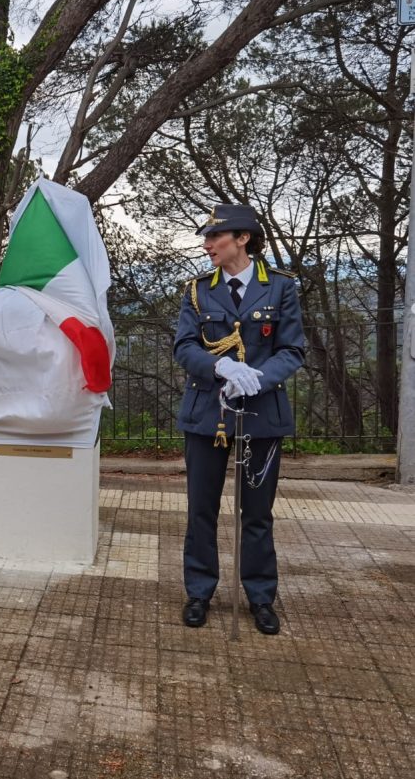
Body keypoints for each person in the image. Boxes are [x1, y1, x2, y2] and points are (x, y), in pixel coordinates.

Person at [175, 203, 305, 635]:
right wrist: (221, 368)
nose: (207, 245)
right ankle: (199, 591)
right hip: (208, 414)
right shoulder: (197, 290)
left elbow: (292, 350)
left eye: (216, 237)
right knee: (201, 510)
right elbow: (184, 347)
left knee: (256, 513)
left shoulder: (280, 288)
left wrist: (257, 378)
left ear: (243, 239)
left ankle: (261, 597)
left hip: (261, 414)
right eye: (207, 238)